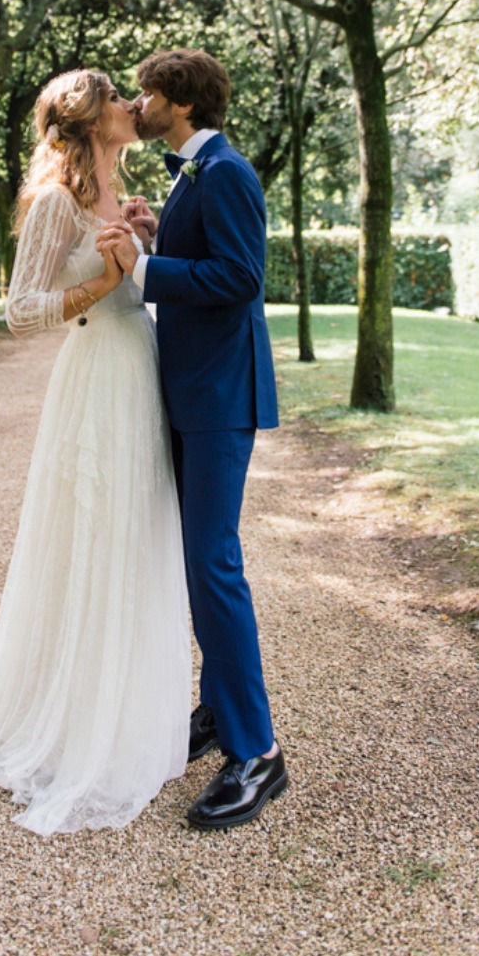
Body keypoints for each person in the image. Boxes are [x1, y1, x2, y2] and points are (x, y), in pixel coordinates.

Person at [0, 68, 190, 836]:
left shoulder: (115, 192)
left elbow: (138, 280)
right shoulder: (57, 200)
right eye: (121, 101)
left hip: (141, 369)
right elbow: (20, 310)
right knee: (92, 535)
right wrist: (103, 280)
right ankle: (68, 715)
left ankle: (126, 703)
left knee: (135, 537)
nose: (136, 108)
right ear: (94, 120)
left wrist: (142, 237)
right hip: (96, 374)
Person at [98, 48, 286, 831]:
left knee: (214, 563)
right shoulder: (191, 173)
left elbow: (240, 278)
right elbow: (201, 258)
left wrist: (146, 268)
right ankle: (216, 708)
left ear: (179, 100)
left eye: (147, 92)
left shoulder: (231, 172)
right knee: (196, 561)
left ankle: (258, 751)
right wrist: (156, 235)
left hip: (218, 397)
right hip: (188, 392)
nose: (138, 103)